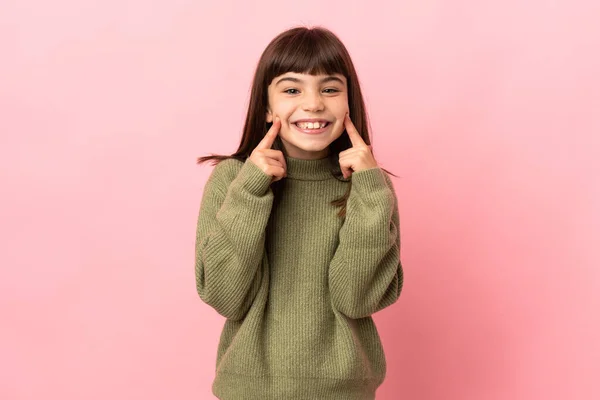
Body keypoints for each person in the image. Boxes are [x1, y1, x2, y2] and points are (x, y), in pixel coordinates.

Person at [194, 25, 404, 400]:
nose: (313, 103)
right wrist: (252, 188)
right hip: (248, 390)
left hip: (346, 391)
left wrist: (369, 192)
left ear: (348, 102)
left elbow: (357, 298)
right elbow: (225, 296)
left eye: (330, 88)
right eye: (292, 89)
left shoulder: (370, 186)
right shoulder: (233, 180)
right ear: (266, 106)